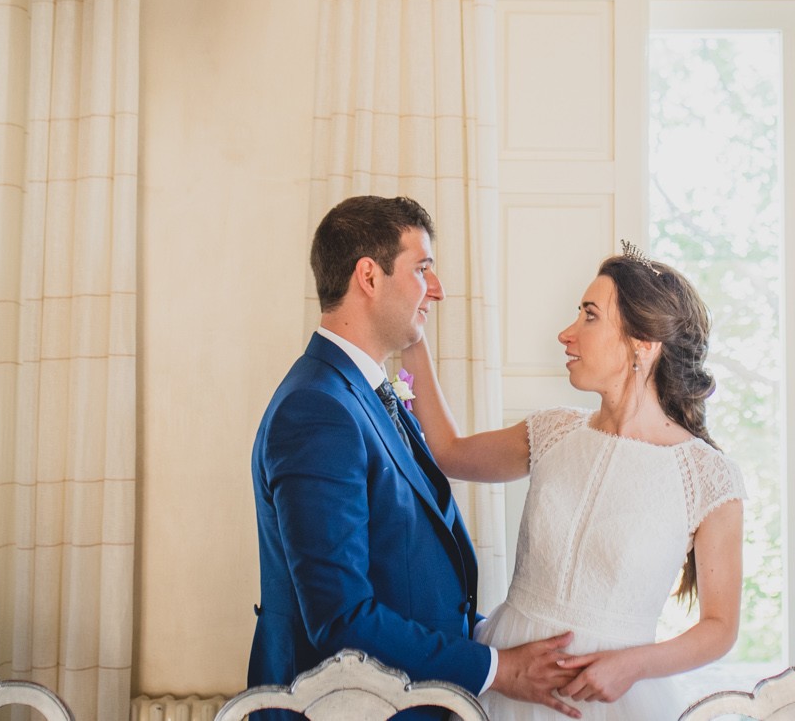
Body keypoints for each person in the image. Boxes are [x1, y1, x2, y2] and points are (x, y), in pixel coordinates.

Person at [249, 195, 582, 719]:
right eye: (422, 268)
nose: (438, 289)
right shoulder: (317, 409)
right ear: (369, 276)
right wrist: (499, 668)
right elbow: (341, 617)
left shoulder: (361, 392)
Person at [402, 246, 747, 721]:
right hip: (506, 684)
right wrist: (411, 338)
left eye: (590, 317)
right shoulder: (552, 431)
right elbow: (448, 452)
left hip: (612, 702)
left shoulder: (708, 476)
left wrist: (632, 665)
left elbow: (720, 626)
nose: (566, 334)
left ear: (642, 343)